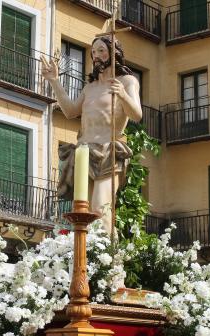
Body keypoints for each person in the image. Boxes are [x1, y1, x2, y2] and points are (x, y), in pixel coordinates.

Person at [41, 35, 142, 233]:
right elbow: (70, 112)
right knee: (80, 212)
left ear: (115, 54)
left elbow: (136, 115)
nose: (96, 56)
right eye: (93, 52)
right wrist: (54, 81)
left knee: (99, 209)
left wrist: (122, 93)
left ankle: (103, 258)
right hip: (83, 153)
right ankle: (81, 255)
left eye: (101, 51)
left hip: (108, 152)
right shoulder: (90, 87)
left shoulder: (127, 81)